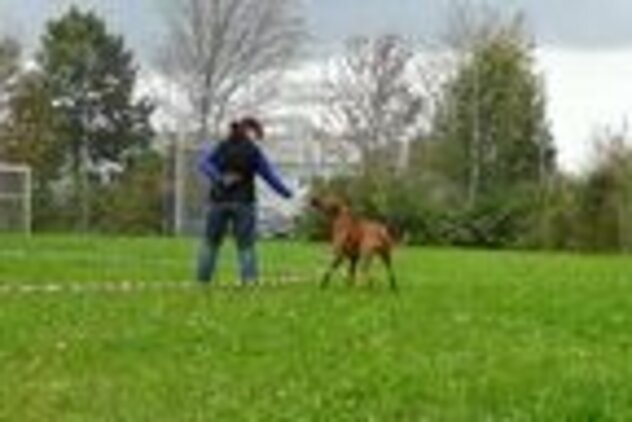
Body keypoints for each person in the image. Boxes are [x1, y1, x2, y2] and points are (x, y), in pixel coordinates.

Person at [197, 117, 293, 285]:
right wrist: (286, 193)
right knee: (246, 246)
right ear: (250, 132)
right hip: (244, 204)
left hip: (218, 202)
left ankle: (202, 282)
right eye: (257, 134)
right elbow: (269, 176)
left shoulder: (221, 146)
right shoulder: (253, 151)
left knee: (210, 243)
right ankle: (249, 283)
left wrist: (219, 178)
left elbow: (203, 163)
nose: (257, 138)